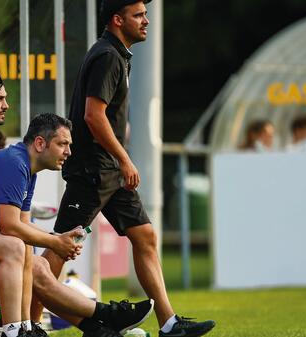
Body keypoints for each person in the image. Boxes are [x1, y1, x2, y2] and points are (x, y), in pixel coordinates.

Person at [0, 71, 153, 337]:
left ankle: (91, 326)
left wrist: (53, 239)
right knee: (17, 250)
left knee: (34, 261)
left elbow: (15, 222)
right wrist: (54, 241)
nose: (6, 105)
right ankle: (89, 317)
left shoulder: (13, 159)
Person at [38, 1, 216, 337]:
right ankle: (28, 325)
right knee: (61, 247)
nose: (146, 21)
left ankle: (169, 324)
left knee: (145, 235)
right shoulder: (108, 55)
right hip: (96, 168)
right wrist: (124, 158)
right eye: (139, 16)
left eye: (146, 14)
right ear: (118, 20)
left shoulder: (114, 54)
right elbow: (93, 115)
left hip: (107, 169)